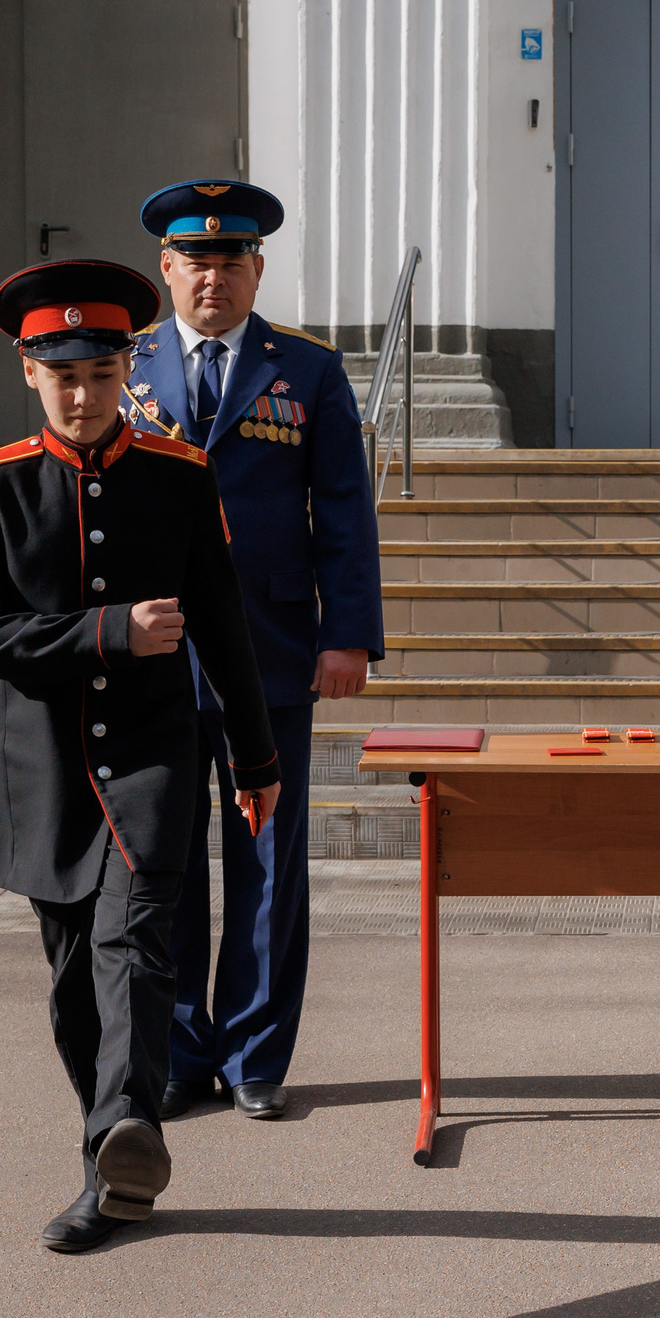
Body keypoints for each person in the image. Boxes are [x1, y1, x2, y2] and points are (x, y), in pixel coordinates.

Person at [0, 258, 282, 1254]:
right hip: (42, 771)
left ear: (126, 364)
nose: (82, 395)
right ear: (29, 375)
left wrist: (254, 763)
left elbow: (224, 628)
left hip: (150, 758)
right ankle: (110, 1154)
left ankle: (125, 1143)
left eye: (99, 372)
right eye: (63, 377)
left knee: (135, 944)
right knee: (71, 982)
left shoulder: (181, 476)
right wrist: (106, 633)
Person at [126, 181, 385, 1122]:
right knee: (169, 858)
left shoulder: (307, 371)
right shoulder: (127, 364)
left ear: (257, 270)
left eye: (232, 260)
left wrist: (348, 633)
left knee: (267, 854)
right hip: (155, 648)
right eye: (196, 261)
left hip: (271, 647)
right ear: (168, 270)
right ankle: (184, 1049)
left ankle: (256, 1053)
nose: (214, 276)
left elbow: (344, 514)